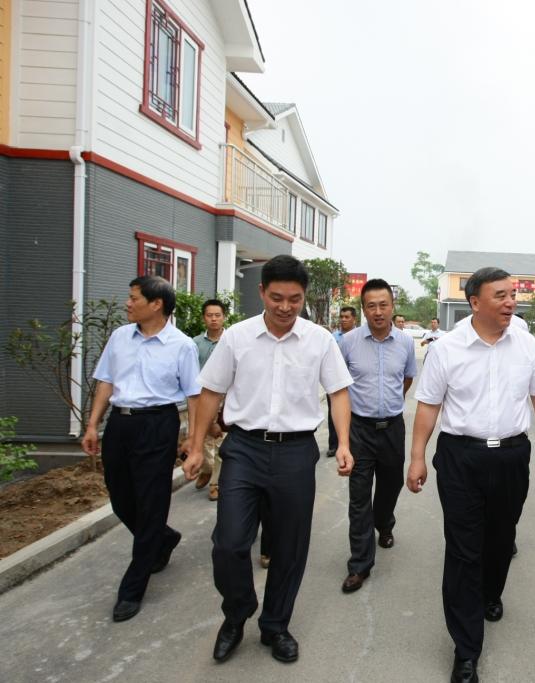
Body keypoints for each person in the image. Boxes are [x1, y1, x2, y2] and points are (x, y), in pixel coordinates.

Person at [182, 255, 356, 665]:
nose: (285, 307)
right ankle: (237, 611)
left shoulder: (319, 340)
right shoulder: (237, 337)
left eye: (294, 299)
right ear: (262, 292)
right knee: (228, 543)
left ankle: (275, 625)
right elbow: (210, 391)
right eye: (277, 297)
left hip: (296, 451)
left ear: (304, 297)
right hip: (244, 448)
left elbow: (338, 392)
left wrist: (344, 443)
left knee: (290, 547)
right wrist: (195, 445)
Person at [406, 267, 535, 683]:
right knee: (463, 549)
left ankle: (491, 592)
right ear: (474, 302)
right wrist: (417, 457)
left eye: (513, 294)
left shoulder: (526, 345)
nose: (511, 302)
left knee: (501, 539)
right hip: (461, 457)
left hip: (511, 456)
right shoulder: (447, 349)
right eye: (501, 295)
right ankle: (466, 649)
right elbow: (428, 406)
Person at [81, 276, 201, 623]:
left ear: (156, 304)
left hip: (157, 425)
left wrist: (193, 440)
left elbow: (194, 396)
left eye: (134, 298)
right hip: (120, 424)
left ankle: (132, 588)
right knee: (121, 498)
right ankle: (163, 538)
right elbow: (106, 382)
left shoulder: (181, 346)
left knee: (151, 503)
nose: (127, 303)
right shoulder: (120, 337)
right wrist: (93, 424)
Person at [339, 278, 417, 594]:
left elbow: (407, 378)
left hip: (392, 428)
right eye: (371, 306)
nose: (378, 311)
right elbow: (338, 386)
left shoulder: (405, 343)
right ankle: (359, 564)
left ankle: (384, 523)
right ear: (363, 309)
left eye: (383, 305)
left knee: (390, 485)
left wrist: (390, 402)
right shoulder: (348, 342)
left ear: (392, 306)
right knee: (359, 496)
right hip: (359, 429)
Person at [193, 299, 227, 499]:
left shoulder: (231, 341)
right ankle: (206, 469)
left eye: (217, 315)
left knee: (221, 441)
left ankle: (216, 482)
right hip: (201, 399)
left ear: (224, 317)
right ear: (203, 318)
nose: (214, 319)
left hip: (225, 400)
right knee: (203, 438)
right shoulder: (195, 344)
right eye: (209, 315)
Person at [327, 305, 360, 458]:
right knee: (334, 414)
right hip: (335, 382)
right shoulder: (332, 337)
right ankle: (334, 445)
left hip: (354, 384)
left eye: (347, 317)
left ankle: (350, 444)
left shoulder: (359, 337)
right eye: (341, 317)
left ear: (354, 319)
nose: (343, 320)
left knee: (353, 415)